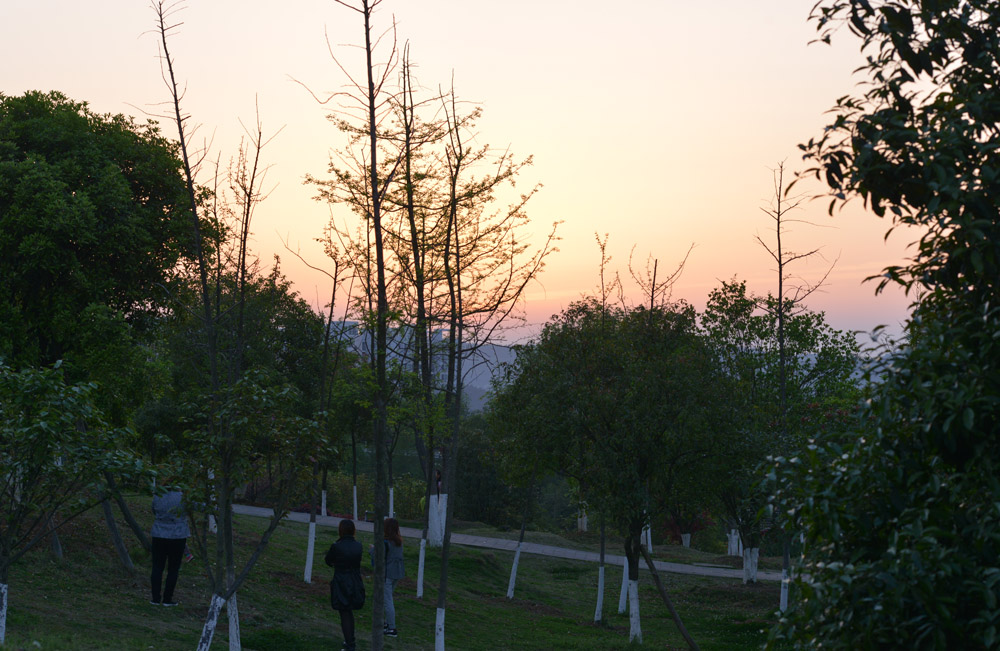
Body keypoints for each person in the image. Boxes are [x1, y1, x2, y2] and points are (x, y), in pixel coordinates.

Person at [326, 519, 365, 651]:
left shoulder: (337, 546)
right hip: (355, 580)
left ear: (341, 530)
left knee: (344, 612)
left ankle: (350, 644)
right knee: (348, 611)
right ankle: (350, 640)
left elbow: (328, 560)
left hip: (341, 581)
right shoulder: (358, 546)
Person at [150, 485, 189, 606]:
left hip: (159, 533)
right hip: (177, 535)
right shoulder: (183, 498)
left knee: (157, 567)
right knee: (173, 569)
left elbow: (154, 510)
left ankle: (155, 598)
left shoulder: (158, 496)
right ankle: (167, 598)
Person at [382, 518, 405, 638]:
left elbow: (379, 556)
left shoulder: (386, 542)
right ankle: (387, 623)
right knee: (389, 598)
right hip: (397, 573)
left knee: (387, 601)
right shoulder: (399, 542)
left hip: (388, 574)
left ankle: (392, 628)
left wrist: (372, 550)